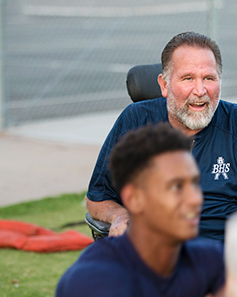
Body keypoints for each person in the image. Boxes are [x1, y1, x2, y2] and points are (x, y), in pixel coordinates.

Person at [85, 31, 237, 294]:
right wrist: (120, 215)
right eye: (188, 78)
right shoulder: (135, 121)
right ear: (165, 84)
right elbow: (97, 198)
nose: (200, 91)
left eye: (209, 78)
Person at [56, 123, 225, 296]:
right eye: (176, 187)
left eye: (195, 183)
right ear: (134, 199)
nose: (196, 199)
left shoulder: (210, 258)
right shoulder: (93, 281)